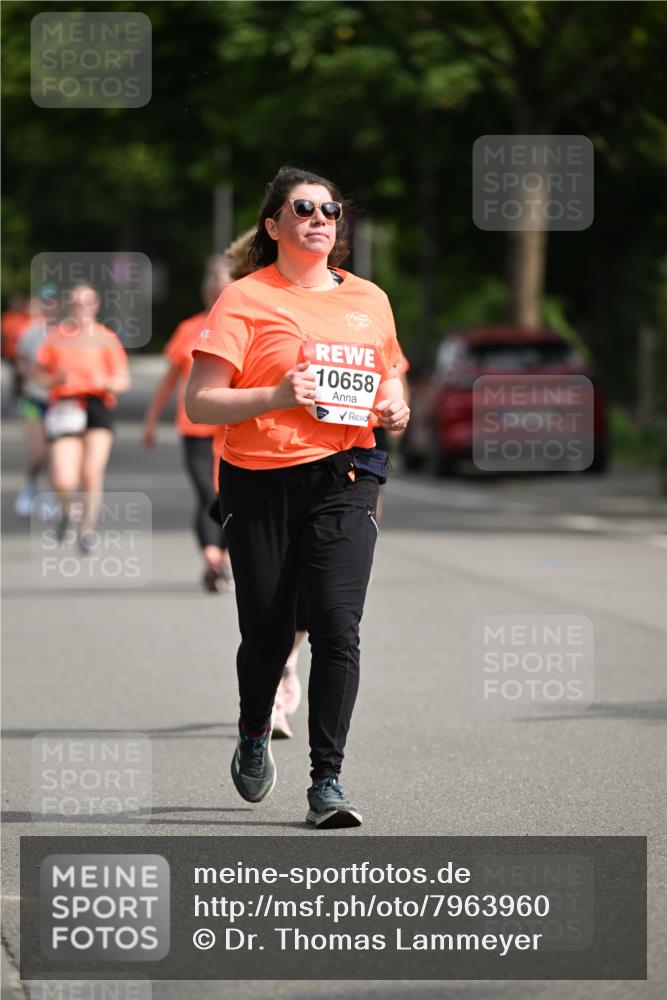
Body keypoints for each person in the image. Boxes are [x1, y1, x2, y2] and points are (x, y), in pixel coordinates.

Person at [186, 165, 410, 828]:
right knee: (267, 630)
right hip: (258, 479)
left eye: (330, 211)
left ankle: (327, 783)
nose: (318, 219)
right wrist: (279, 395)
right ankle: (255, 727)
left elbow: (390, 376)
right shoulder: (243, 299)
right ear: (273, 225)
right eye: (304, 208)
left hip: (347, 472)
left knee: (338, 627)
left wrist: (395, 407)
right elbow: (200, 401)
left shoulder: (369, 298)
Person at [143, 258, 234, 592]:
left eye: (224, 288)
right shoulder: (188, 329)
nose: (217, 295)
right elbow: (168, 382)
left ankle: (221, 559)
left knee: (229, 495)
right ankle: (213, 560)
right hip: (195, 427)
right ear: (205, 292)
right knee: (206, 493)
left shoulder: (245, 326)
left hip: (232, 428)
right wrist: (151, 422)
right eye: (213, 288)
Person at [35, 283, 129, 551]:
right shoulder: (56, 337)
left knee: (91, 471)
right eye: (76, 303)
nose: (81, 308)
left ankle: (86, 531)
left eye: (86, 303)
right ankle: (68, 510)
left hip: (97, 404)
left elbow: (123, 380)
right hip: (65, 405)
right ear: (68, 306)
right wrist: (55, 378)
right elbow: (37, 375)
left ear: (95, 306)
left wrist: (107, 382)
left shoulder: (105, 338)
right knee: (63, 477)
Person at [13, 284, 59, 516]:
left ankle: (52, 495)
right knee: (38, 452)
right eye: (47, 302)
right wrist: (28, 371)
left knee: (56, 453)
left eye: (55, 301)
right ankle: (30, 487)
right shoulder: (31, 332)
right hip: (34, 399)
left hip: (60, 403)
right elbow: (19, 360)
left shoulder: (71, 332)